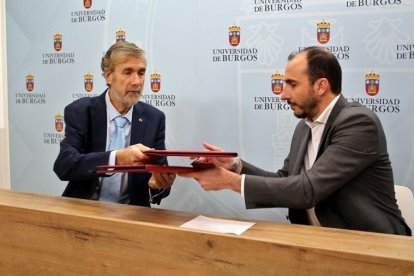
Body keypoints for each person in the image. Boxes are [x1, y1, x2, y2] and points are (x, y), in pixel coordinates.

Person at [179, 46, 411, 236]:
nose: (283, 94)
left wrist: (231, 182)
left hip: (373, 246)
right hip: (318, 242)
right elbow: (287, 180)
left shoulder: (358, 122)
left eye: (292, 84)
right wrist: (234, 166)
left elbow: (307, 190)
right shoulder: (304, 126)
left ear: (321, 86)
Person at [54, 41, 175, 206]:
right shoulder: (81, 112)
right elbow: (64, 165)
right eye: (128, 72)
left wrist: (157, 185)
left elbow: (160, 176)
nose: (137, 82)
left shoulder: (154, 118)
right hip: (85, 209)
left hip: (131, 215)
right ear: (108, 75)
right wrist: (116, 159)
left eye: (141, 73)